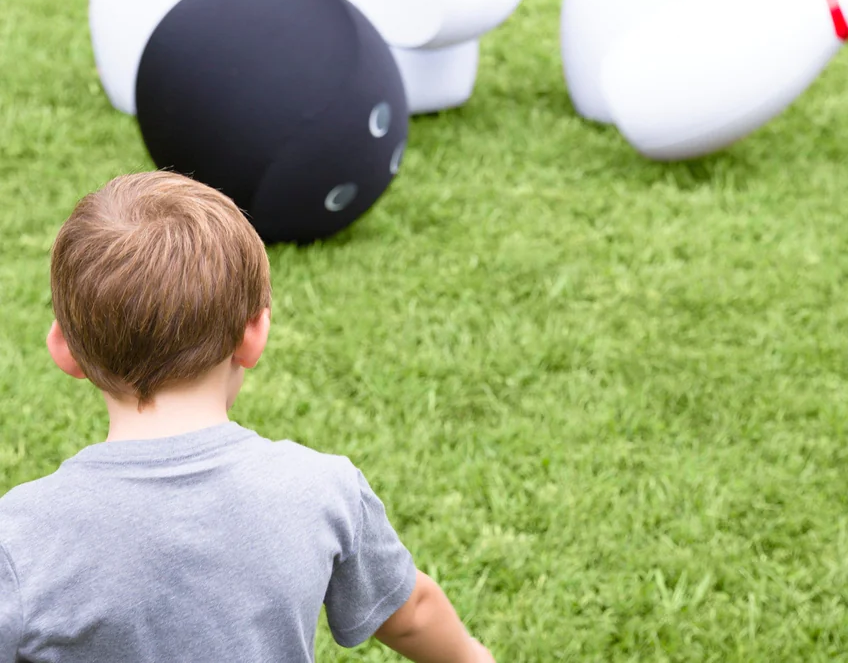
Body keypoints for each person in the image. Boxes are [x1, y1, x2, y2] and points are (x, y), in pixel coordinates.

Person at [0, 171, 495, 663]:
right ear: (254, 334)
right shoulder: (322, 489)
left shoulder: (20, 538)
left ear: (63, 348)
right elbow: (414, 614)